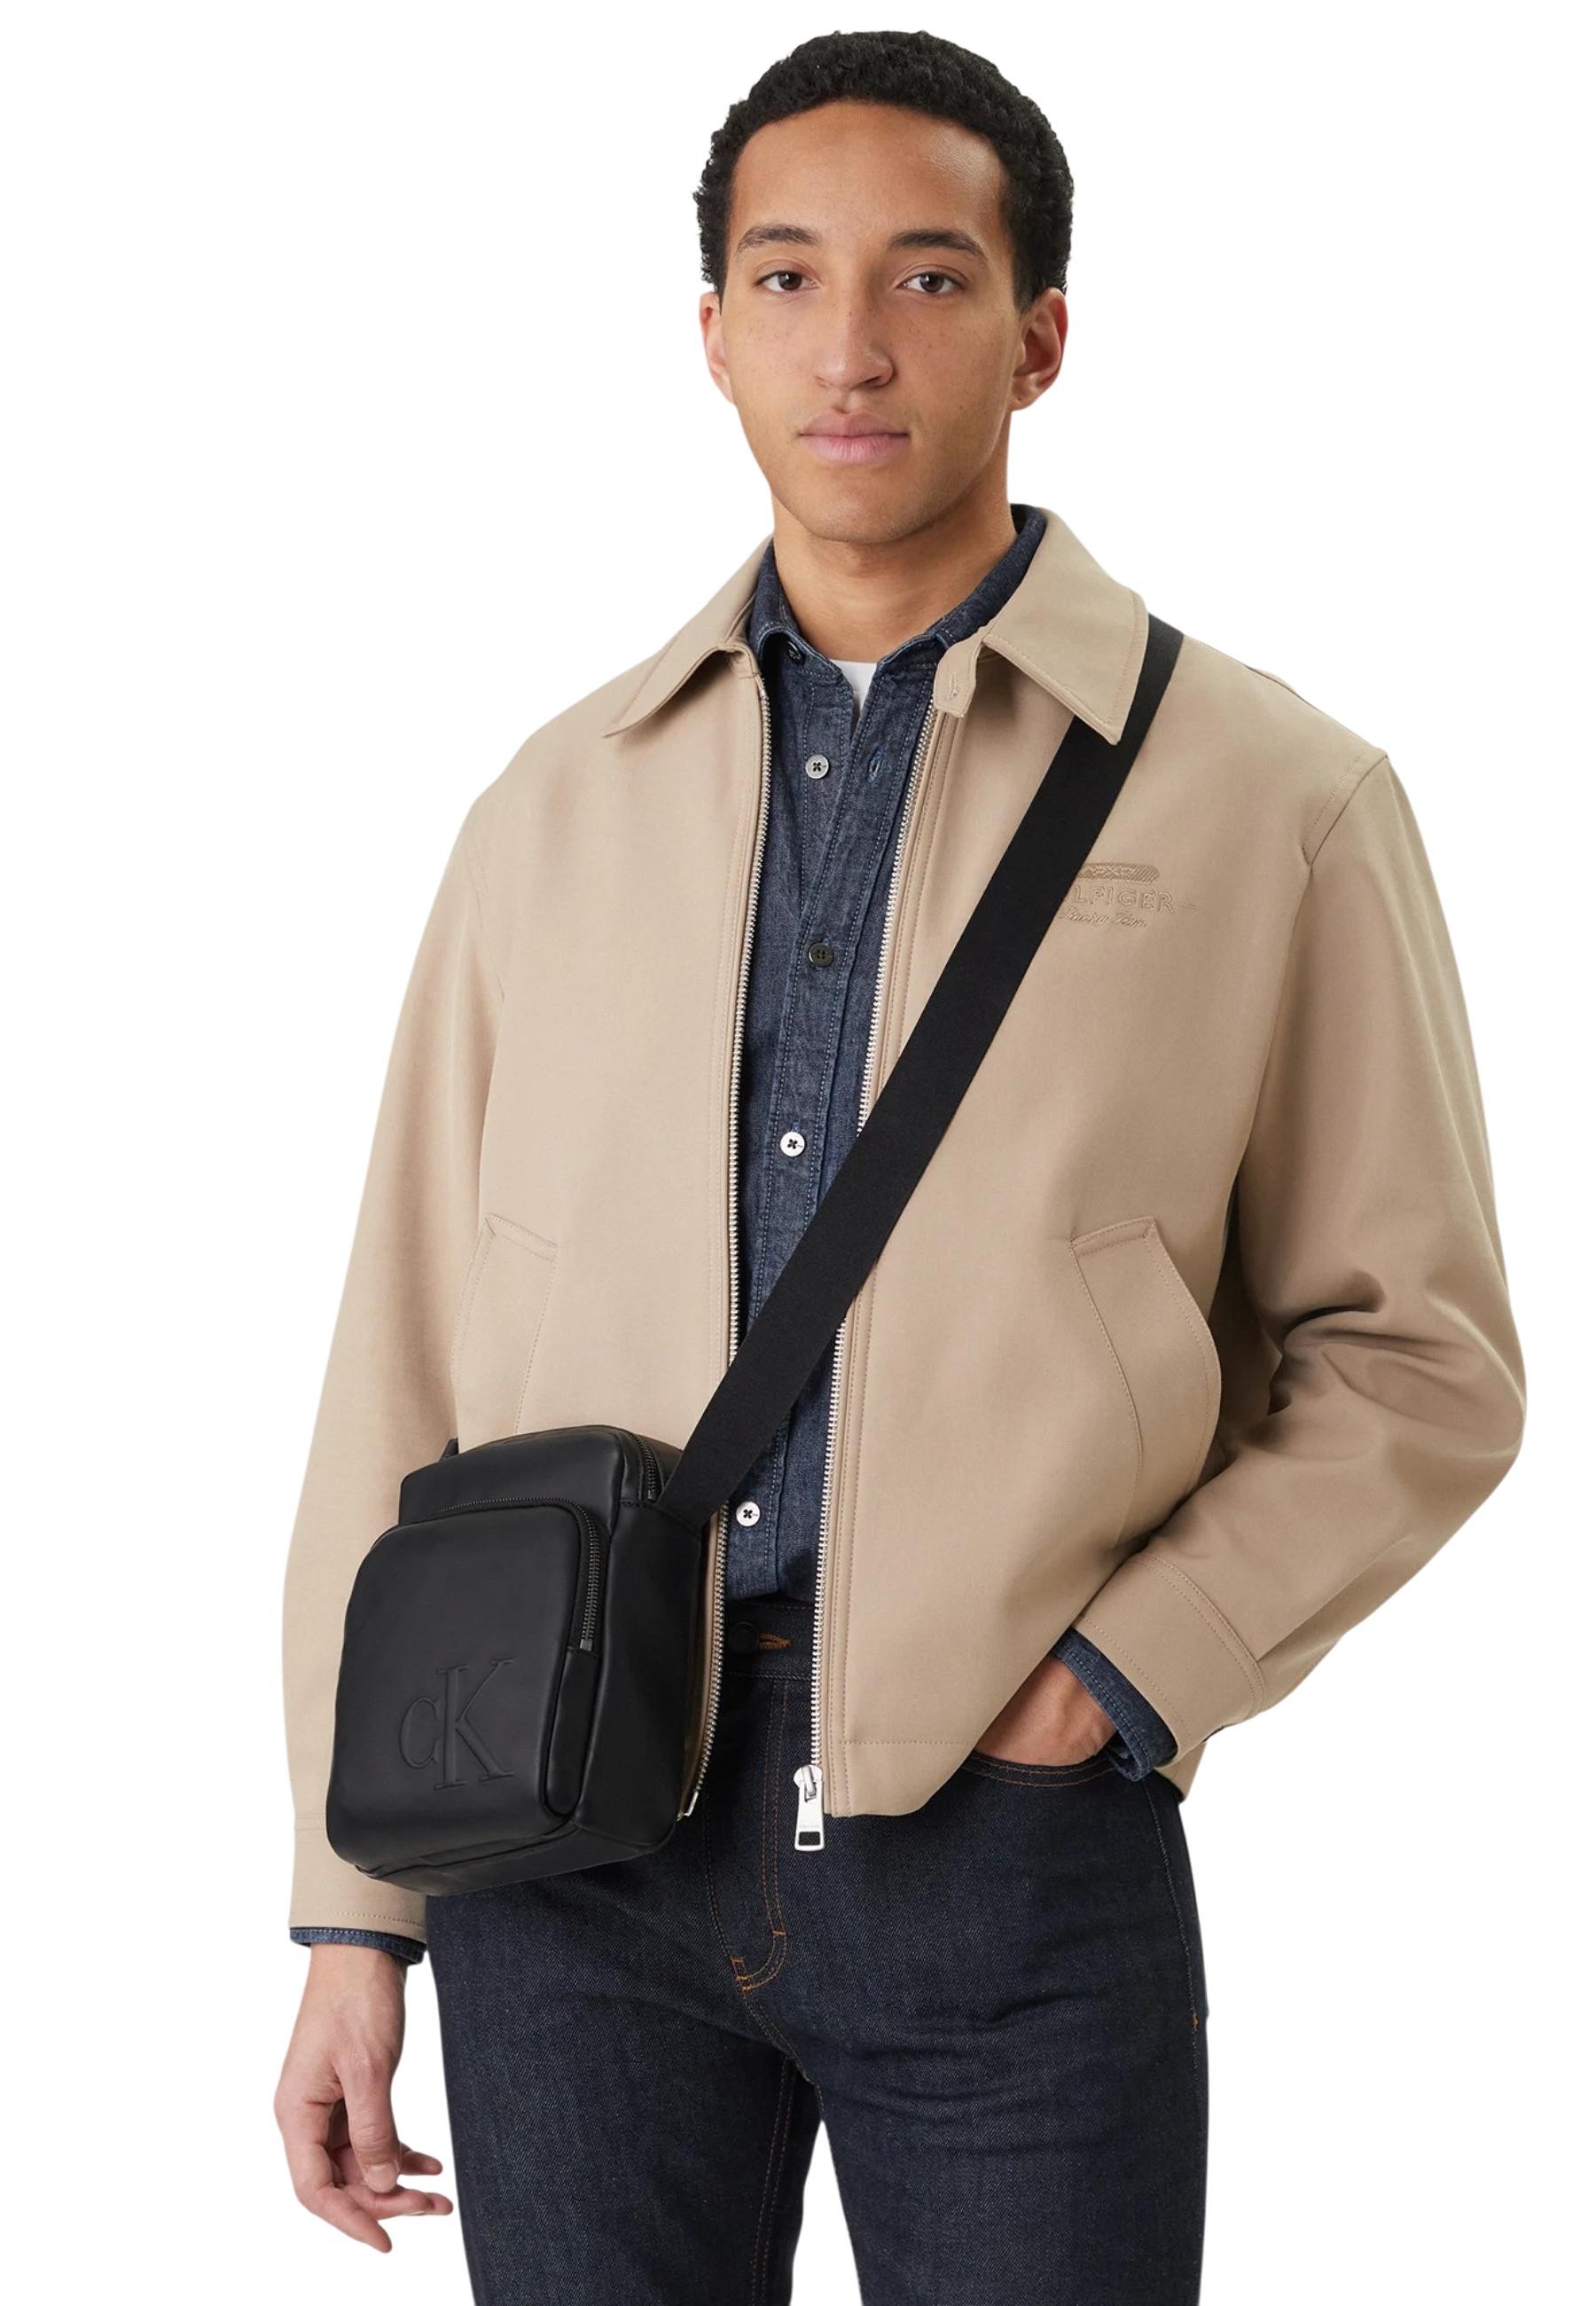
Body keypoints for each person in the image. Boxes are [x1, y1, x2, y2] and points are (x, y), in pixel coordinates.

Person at [274, 30, 1526, 2303]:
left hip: (1006, 1841)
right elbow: (404, 1366)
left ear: (1041, 336)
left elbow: (1422, 1359)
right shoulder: (552, 809)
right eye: (788, 277)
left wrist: (1115, 1682)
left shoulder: (1275, 796)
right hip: (559, 1846)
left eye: (931, 279)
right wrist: (353, 1912)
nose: (851, 345)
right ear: (713, 332)